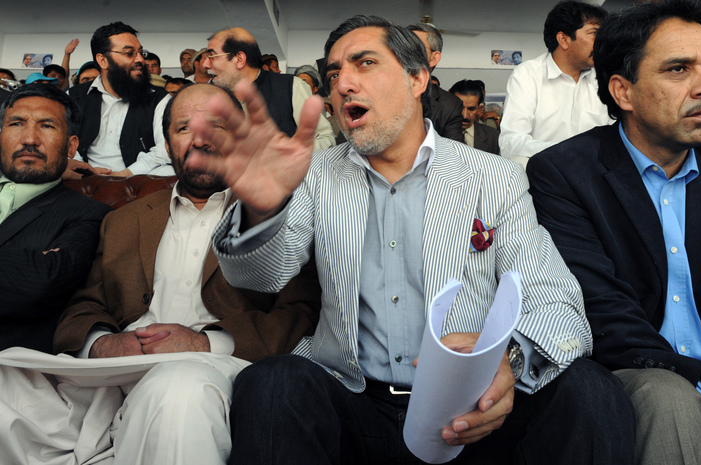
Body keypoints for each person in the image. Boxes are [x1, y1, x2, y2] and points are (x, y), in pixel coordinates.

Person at [188, 14, 634, 465]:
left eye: (364, 63)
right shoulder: (316, 175)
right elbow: (262, 276)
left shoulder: (492, 177)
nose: (342, 84)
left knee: (591, 391)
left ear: (418, 77)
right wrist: (261, 206)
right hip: (353, 402)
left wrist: (508, 362)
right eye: (333, 73)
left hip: (470, 411)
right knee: (272, 384)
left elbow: (557, 302)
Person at [0, 83, 321, 465]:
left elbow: (300, 311)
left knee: (177, 391)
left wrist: (203, 344)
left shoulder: (273, 210)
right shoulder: (124, 219)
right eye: (184, 128)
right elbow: (86, 303)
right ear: (167, 145)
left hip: (210, 369)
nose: (199, 139)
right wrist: (101, 343)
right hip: (108, 377)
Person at [526, 1, 701, 463]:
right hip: (632, 371)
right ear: (623, 91)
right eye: (679, 69)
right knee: (669, 398)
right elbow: (600, 307)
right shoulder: (564, 174)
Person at [0, 84, 111, 353]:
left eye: (47, 126)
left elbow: (39, 285)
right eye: (16, 124)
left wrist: (35, 269)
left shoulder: (89, 214)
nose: (29, 139)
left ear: (72, 146)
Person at [499, 1, 609, 167]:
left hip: (594, 176)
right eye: (594, 33)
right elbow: (511, 142)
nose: (602, 42)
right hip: (544, 174)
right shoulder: (528, 74)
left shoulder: (604, 78)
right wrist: (567, 152)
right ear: (563, 39)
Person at [204, 27, 335, 151]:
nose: (205, 64)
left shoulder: (290, 87)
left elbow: (324, 138)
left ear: (239, 59)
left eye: (211, 56)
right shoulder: (210, 95)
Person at [68, 22, 173, 177]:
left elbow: (165, 149)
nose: (140, 60)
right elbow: (63, 143)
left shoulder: (159, 98)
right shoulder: (74, 96)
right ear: (103, 61)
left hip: (140, 178)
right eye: (130, 53)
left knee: (169, 172)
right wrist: (85, 170)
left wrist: (125, 174)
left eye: (140, 53)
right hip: (83, 177)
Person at [408, 22, 465, 143]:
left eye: (416, 47)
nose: (406, 52)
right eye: (403, 46)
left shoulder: (450, 105)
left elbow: (453, 153)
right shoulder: (377, 91)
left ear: (434, 58)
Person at [449, 79, 500, 154]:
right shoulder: (436, 134)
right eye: (459, 108)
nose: (465, 116)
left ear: (480, 107)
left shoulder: (493, 137)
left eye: (471, 109)